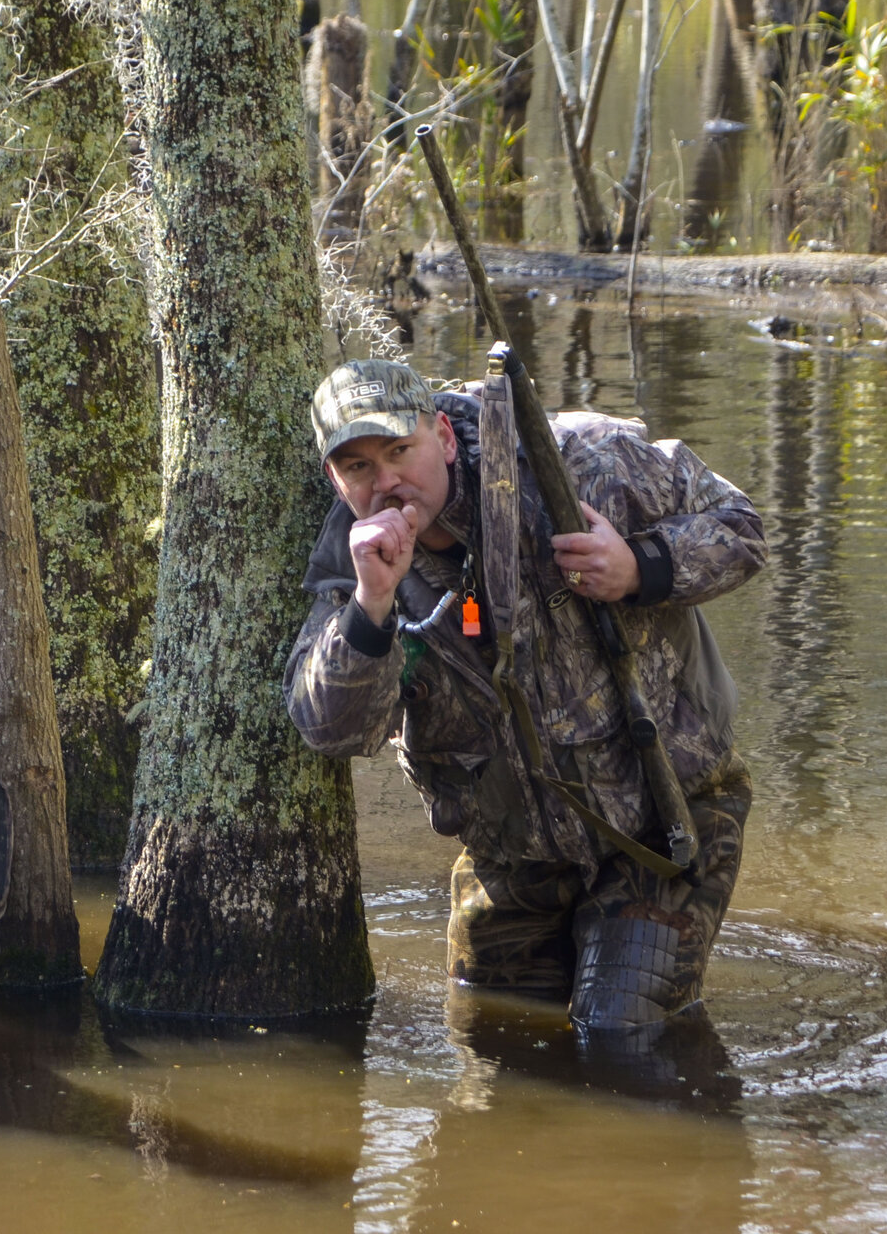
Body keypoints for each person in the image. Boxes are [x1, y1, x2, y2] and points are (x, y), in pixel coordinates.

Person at [287, 355, 767, 1034]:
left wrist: (640, 567)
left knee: (619, 1034)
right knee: (494, 1050)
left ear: (444, 439)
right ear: (336, 481)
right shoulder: (351, 568)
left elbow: (743, 527)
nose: (386, 480)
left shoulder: (577, 461)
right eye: (358, 466)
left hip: (663, 823)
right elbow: (333, 732)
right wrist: (373, 604)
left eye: (400, 450)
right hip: (511, 857)